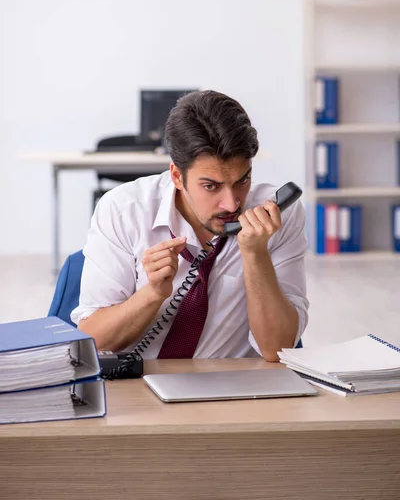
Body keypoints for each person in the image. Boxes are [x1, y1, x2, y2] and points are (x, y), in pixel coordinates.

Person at [71, 90, 309, 361]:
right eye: (211, 186)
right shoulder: (123, 210)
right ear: (177, 176)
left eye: (242, 181)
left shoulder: (277, 216)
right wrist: (151, 295)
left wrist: (256, 254)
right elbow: (95, 339)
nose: (231, 204)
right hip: (140, 388)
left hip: (236, 390)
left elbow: (276, 349)